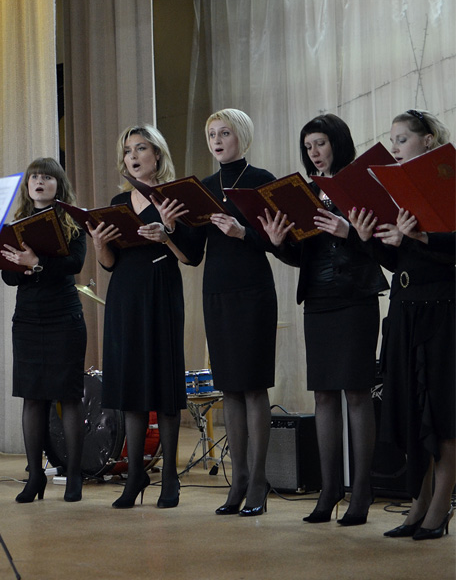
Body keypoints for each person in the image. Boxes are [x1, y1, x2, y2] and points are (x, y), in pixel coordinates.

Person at [260, 113, 388, 526]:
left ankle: (362, 490)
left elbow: (383, 247)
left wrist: (347, 230)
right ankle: (329, 489)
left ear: (337, 142)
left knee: (357, 393)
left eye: (320, 144)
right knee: (324, 395)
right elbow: (303, 255)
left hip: (355, 298)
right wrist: (278, 245)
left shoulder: (360, 185)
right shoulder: (307, 191)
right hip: (317, 301)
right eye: (308, 147)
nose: (314, 153)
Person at [349, 110, 454, 540]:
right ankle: (418, 503)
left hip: (443, 310)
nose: (394, 147)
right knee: (409, 410)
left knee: (442, 412)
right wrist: (369, 239)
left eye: (402, 139)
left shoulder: (447, 181)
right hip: (405, 308)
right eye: (391, 140)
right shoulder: (396, 189)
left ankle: (440, 506)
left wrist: (420, 238)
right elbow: (398, 262)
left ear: (428, 140)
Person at [87, 124, 199, 509]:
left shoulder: (174, 198)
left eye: (140, 148)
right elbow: (109, 263)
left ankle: (170, 477)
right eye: (127, 151)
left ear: (157, 155)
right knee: (130, 387)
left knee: (164, 386)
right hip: (125, 294)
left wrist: (168, 233)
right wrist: (99, 244)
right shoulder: (119, 201)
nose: (132, 156)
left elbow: (191, 256)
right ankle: (135, 474)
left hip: (161, 290)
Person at [190, 109, 278, 516]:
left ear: (241, 135)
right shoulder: (204, 188)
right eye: (212, 134)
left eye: (224, 133)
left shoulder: (261, 180)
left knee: (254, 386)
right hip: (217, 291)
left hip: (253, 290)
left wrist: (243, 232)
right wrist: (171, 228)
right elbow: (192, 252)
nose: (217, 140)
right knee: (229, 387)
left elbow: (279, 241)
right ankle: (238, 478)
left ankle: (259, 480)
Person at [0, 157, 88, 502]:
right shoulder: (16, 225)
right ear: (27, 186)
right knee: (32, 397)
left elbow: (75, 263)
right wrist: (21, 266)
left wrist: (36, 263)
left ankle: (74, 474)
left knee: (69, 396)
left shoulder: (72, 220)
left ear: (58, 185)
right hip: (28, 319)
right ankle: (35, 476)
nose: (39, 181)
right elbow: (8, 277)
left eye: (47, 177)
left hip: (63, 316)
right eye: (34, 177)